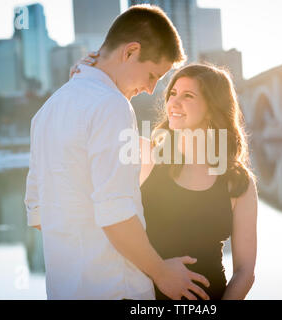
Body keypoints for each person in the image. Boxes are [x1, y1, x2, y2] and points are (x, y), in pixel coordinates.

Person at [24, 5, 210, 300]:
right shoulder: (111, 106)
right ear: (130, 52)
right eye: (152, 75)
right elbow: (115, 213)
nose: (151, 90)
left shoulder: (47, 111)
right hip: (114, 289)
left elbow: (37, 214)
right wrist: (162, 273)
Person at [72, 59, 258, 299]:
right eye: (172, 93)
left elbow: (245, 271)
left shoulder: (237, 181)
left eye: (188, 96)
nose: (174, 102)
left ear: (213, 107)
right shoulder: (144, 155)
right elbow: (85, 135)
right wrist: (83, 79)